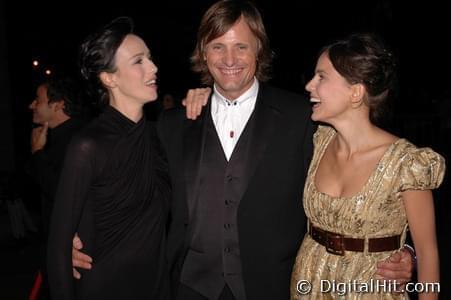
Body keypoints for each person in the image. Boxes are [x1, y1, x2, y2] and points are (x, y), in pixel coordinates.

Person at [72, 2, 415, 299]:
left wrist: (405, 250)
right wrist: (83, 236)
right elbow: (127, 186)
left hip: (275, 287)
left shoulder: (303, 119)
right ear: (203, 53)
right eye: (218, 47)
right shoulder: (172, 124)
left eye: (242, 47)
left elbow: (370, 183)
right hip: (188, 287)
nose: (230, 59)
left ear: (259, 51)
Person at [290, 33, 445, 299]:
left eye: (321, 77)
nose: (309, 86)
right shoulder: (317, 141)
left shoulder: (406, 164)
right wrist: (206, 95)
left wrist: (410, 258)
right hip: (309, 283)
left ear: (355, 92)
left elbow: (428, 253)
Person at [47, 17, 171, 299]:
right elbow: (58, 248)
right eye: (138, 61)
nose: (153, 68)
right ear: (109, 77)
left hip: (157, 288)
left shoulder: (160, 136)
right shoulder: (88, 146)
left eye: (150, 59)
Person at [28, 77, 85, 299]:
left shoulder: (78, 140)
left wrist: (38, 154)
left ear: (58, 104)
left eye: (37, 99)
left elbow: (63, 193)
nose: (31, 105)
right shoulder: (55, 136)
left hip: (72, 254)